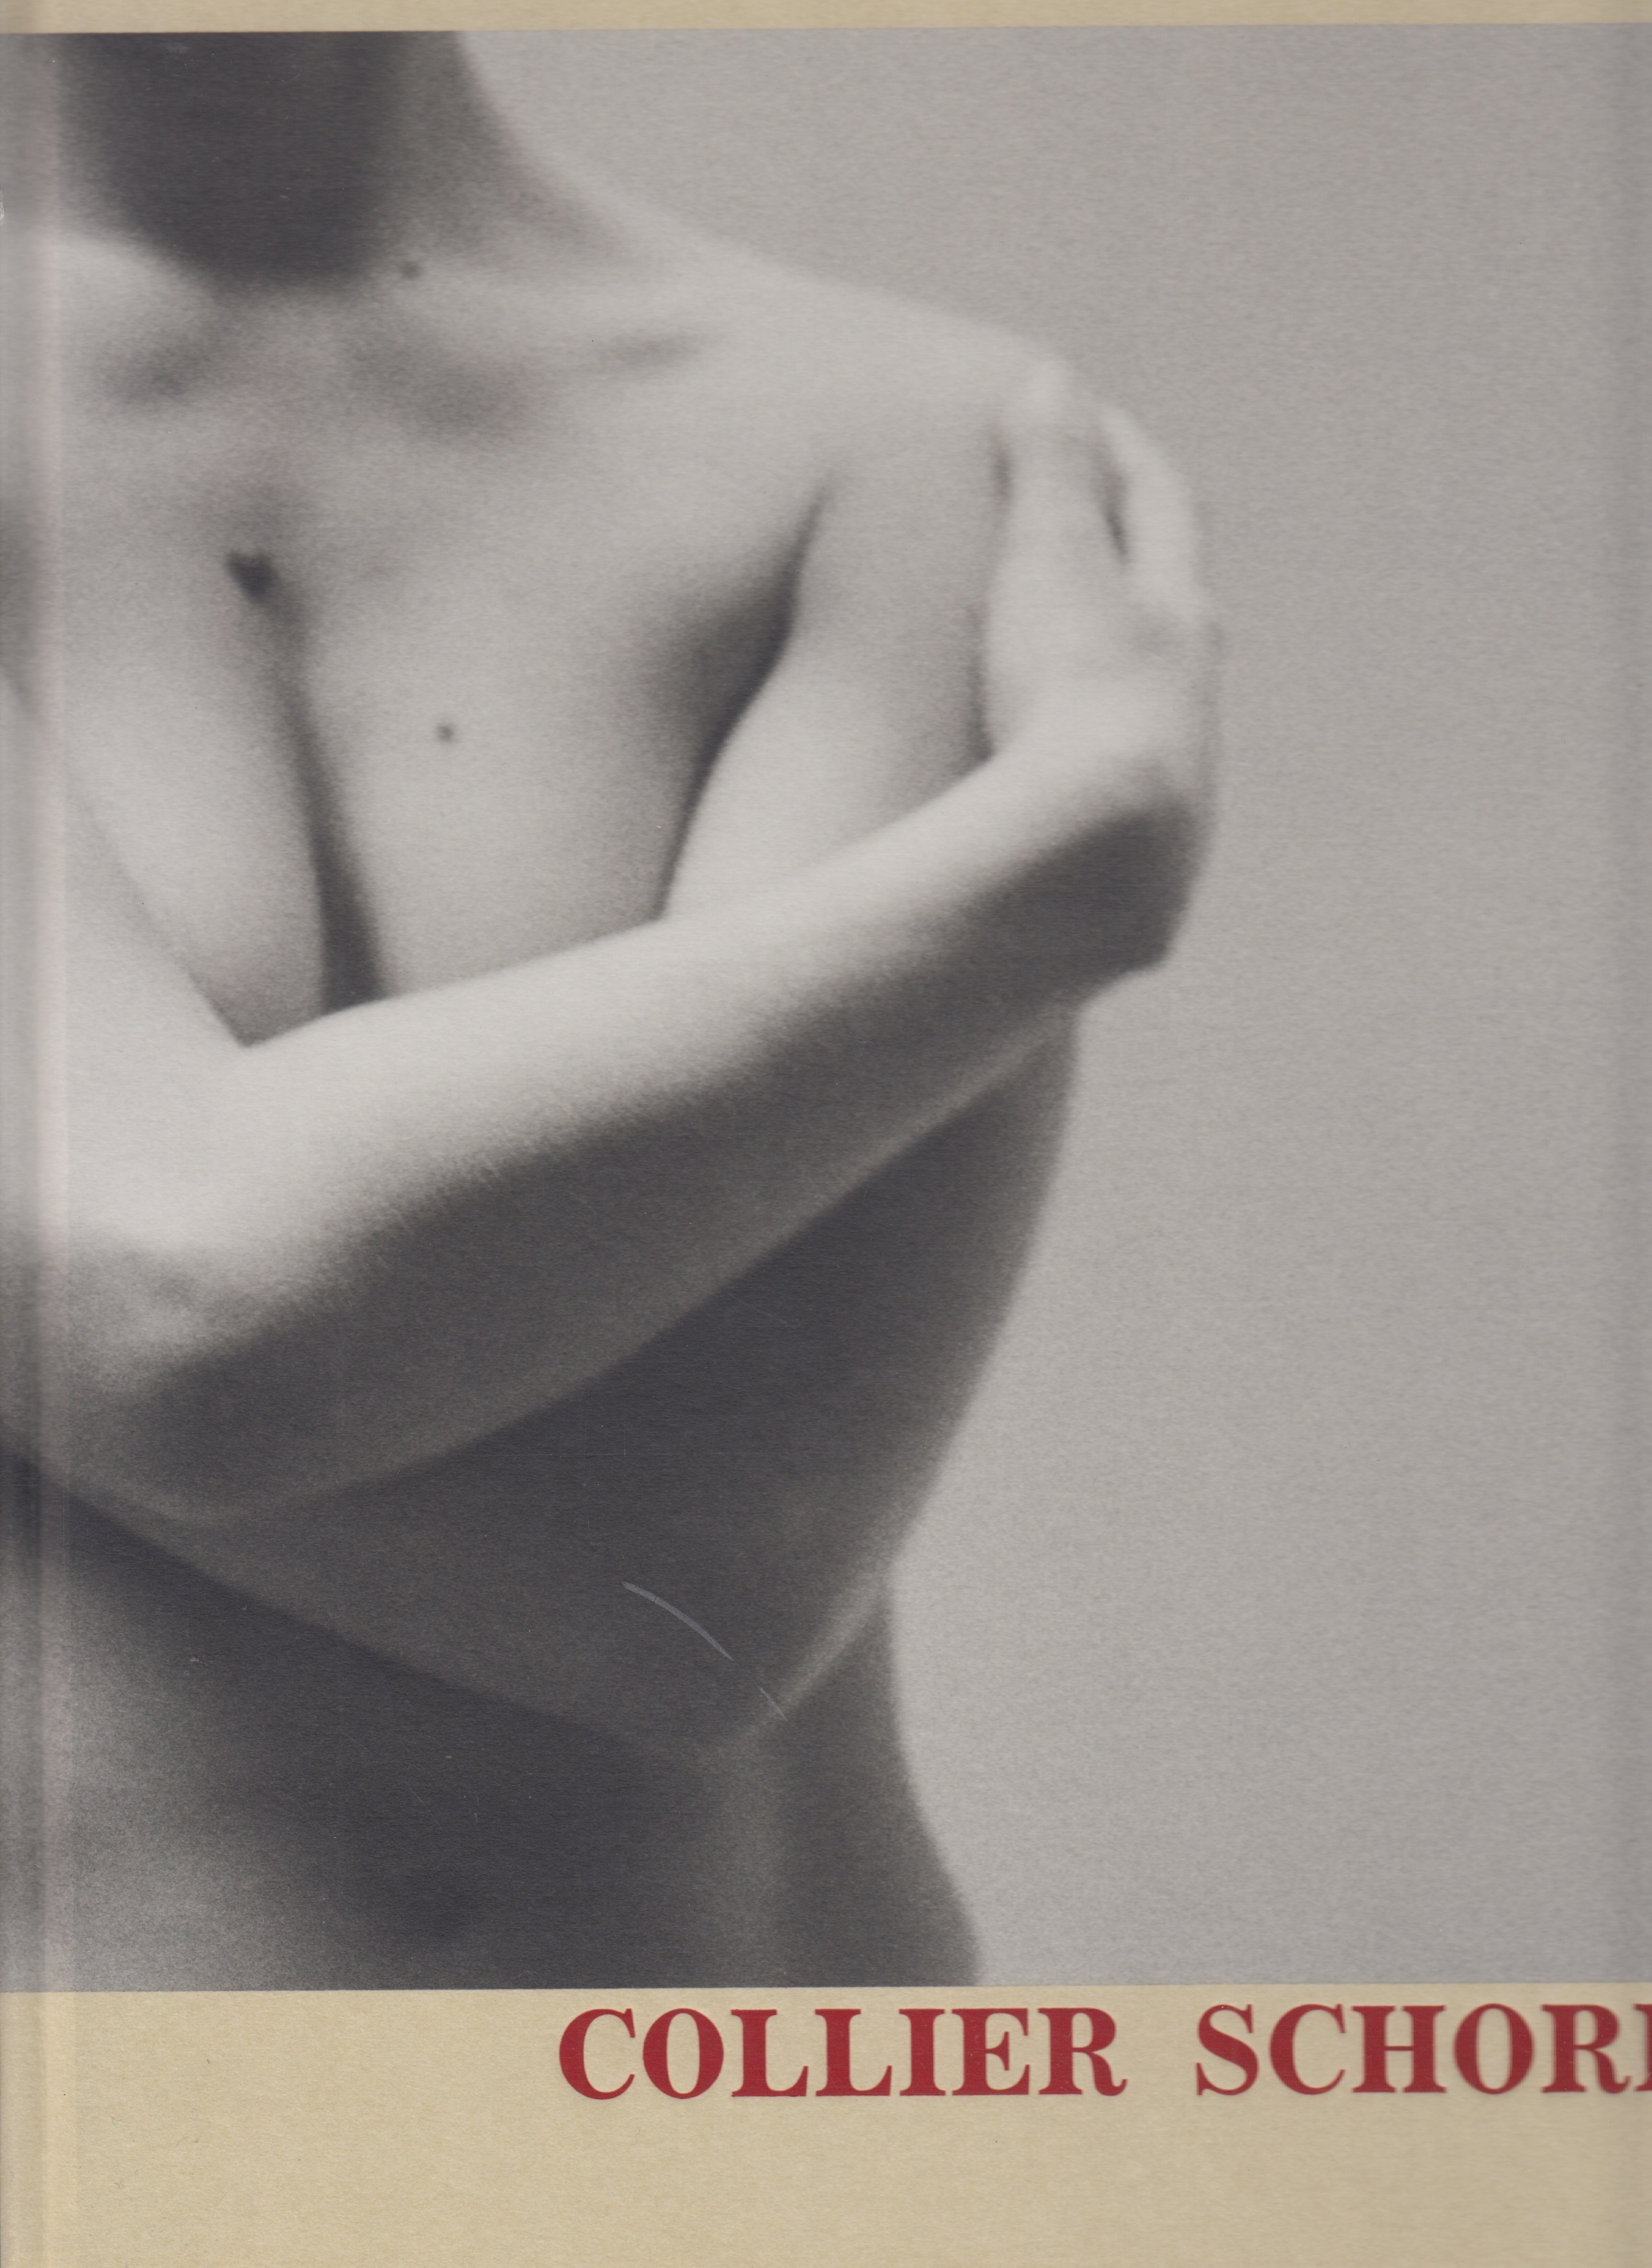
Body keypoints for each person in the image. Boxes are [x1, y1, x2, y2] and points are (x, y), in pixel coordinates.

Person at [0, 32, 1216, 1990]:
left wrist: (127, 1331)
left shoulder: (899, 439)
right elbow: (177, 1320)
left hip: (743, 2114)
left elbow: (703, 1580)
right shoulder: (1047, 777)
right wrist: (1058, 879)